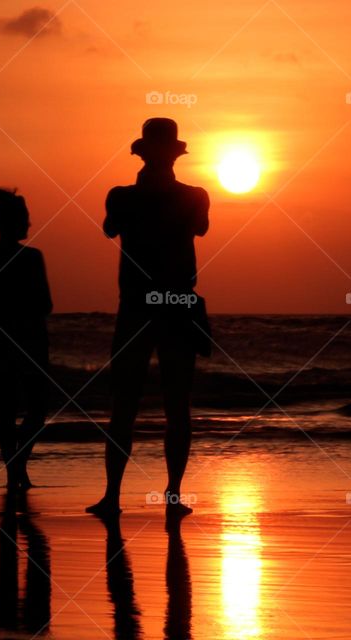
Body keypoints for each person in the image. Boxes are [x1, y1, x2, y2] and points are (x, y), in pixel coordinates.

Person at [87, 118, 210, 518]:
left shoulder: (123, 197)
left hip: (141, 307)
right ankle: (164, 495)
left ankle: (118, 496)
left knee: (131, 403)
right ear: (175, 154)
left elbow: (110, 229)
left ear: (142, 153)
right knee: (171, 403)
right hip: (167, 306)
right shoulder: (191, 196)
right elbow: (199, 229)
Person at [0, 188, 52, 492]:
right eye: (25, 218)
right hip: (29, 340)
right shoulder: (32, 257)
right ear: (13, 220)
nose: (29, 224)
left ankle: (14, 470)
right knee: (36, 409)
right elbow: (45, 304)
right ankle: (18, 468)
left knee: (7, 409)